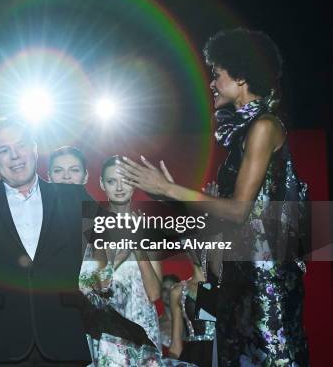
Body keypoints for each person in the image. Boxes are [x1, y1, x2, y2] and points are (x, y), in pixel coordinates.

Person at [117, 28, 309, 366]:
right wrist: (163, 191)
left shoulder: (264, 127)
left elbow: (237, 211)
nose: (211, 83)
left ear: (242, 77)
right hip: (237, 279)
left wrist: (169, 189)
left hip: (263, 283)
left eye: (217, 75)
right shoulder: (242, 135)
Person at [0, 117, 95, 366]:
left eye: (21, 145)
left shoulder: (72, 198)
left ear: (34, 148)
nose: (15, 155)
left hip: (63, 345)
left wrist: (168, 191)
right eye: (4, 150)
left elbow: (135, 234)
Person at [79, 156, 172, 366]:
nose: (119, 187)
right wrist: (118, 257)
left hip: (142, 326)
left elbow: (155, 293)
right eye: (111, 181)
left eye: (126, 180)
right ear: (102, 184)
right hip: (108, 330)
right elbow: (95, 287)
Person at [168, 252, 214, 366]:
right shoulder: (178, 291)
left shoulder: (227, 286)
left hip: (224, 354)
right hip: (194, 357)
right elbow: (176, 344)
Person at [159, 274, 181, 352]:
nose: (169, 293)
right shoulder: (156, 323)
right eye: (164, 289)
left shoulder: (189, 322)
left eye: (173, 288)